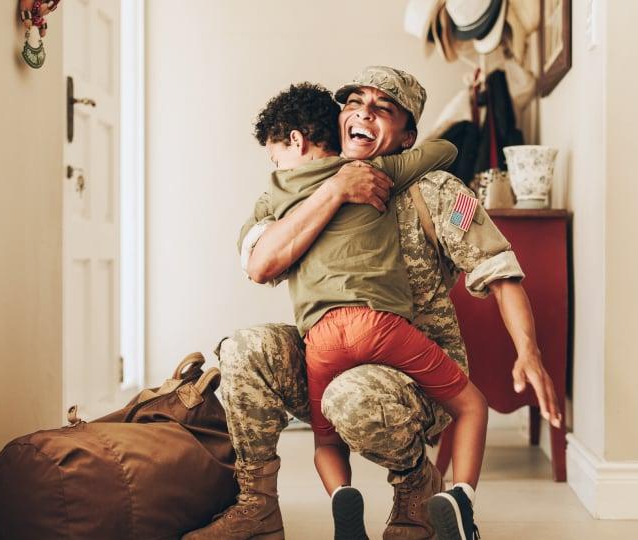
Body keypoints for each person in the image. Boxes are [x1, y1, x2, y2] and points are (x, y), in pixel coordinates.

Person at [183, 66, 562, 540]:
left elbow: (500, 272)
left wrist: (529, 352)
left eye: (383, 108)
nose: (364, 113)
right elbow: (260, 262)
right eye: (355, 103)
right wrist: (334, 190)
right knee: (242, 348)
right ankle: (256, 507)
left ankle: (416, 493)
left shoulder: (436, 190)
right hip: (326, 349)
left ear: (406, 137)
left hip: (413, 372)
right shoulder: (295, 185)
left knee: (353, 396)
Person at [252, 80, 490, 539]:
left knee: (325, 441)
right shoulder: (375, 173)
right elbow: (444, 150)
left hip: (319, 338)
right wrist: (397, 153)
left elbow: (257, 256)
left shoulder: (278, 196)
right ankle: (459, 498)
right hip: (376, 325)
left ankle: (344, 498)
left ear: (296, 142)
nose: (275, 163)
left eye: (274, 152)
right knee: (471, 405)